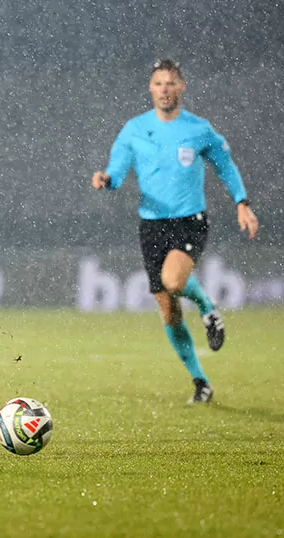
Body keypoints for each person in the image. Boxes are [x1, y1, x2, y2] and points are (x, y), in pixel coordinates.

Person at [92, 59, 259, 404]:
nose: (165, 89)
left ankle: (208, 307)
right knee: (168, 310)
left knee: (174, 281)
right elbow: (118, 170)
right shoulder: (135, 130)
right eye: (159, 83)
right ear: (150, 89)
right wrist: (106, 180)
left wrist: (241, 201)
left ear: (182, 87)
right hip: (151, 225)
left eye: (171, 83)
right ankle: (201, 381)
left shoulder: (198, 129)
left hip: (189, 220)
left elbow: (225, 165)